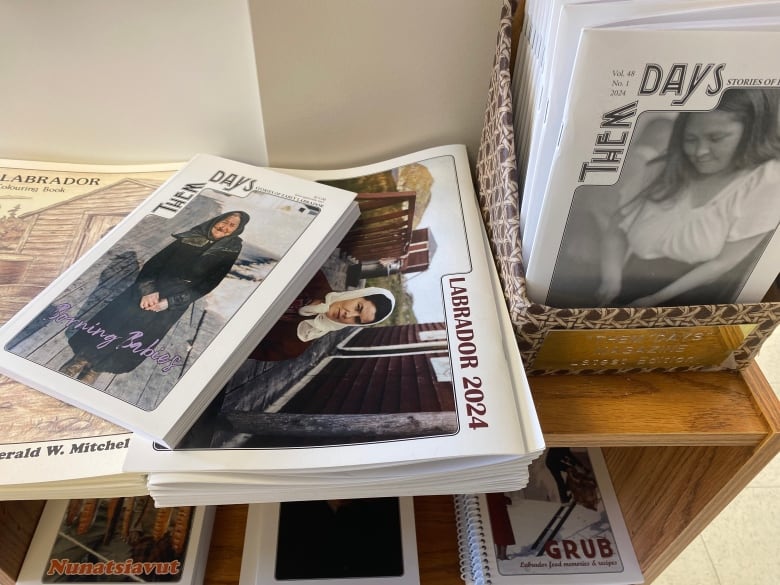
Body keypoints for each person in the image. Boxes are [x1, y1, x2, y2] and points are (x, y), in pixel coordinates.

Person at [596, 88, 780, 307]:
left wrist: (656, 299)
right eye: (690, 139)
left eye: (716, 138)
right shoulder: (662, 168)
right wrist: (611, 279)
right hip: (627, 284)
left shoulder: (766, 181)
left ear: (751, 132)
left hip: (689, 300)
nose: (700, 152)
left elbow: (722, 263)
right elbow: (616, 229)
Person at [59, 210, 250, 383]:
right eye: (224, 221)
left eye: (232, 225)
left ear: (237, 230)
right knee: (114, 323)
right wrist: (148, 290)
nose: (224, 227)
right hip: (149, 289)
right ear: (216, 220)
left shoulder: (231, 248)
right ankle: (81, 359)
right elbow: (154, 264)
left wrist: (169, 303)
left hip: (172, 303)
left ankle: (97, 369)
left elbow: (209, 283)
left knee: (138, 336)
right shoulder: (192, 236)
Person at [249, 269, 395, 361]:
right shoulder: (312, 276)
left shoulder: (297, 344)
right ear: (356, 295)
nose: (347, 315)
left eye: (356, 319)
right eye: (358, 307)